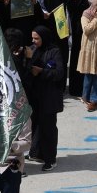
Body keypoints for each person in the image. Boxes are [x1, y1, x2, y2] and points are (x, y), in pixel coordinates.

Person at [26, 27, 65, 172]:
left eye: (36, 39)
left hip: (49, 97)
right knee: (36, 126)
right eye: (33, 38)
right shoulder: (32, 50)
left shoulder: (54, 51)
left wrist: (42, 72)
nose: (33, 41)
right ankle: (37, 153)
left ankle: (50, 159)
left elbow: (59, 73)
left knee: (48, 128)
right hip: (35, 96)